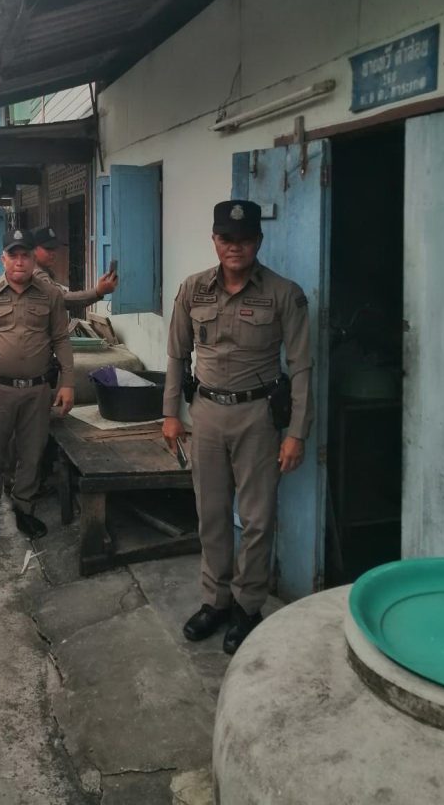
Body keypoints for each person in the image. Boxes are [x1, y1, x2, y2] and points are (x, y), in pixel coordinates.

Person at [162, 200, 312, 655]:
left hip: (258, 418)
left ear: (258, 242)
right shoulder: (193, 289)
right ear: (214, 240)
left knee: (257, 519)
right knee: (210, 515)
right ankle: (215, 601)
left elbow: (301, 367)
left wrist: (297, 432)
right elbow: (177, 355)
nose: (235, 247)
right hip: (206, 414)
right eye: (226, 238)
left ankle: (248, 607)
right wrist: (171, 413)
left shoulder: (284, 294)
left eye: (245, 239)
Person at [0, 228, 75, 549]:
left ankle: (24, 509)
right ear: (3, 259)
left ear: (33, 259)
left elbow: (61, 339)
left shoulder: (50, 295)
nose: (20, 261)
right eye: (14, 255)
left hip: (38, 391)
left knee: (31, 454)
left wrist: (67, 382)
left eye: (25, 255)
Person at [31, 225, 118, 305]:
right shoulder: (36, 274)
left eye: (54, 248)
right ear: (33, 250)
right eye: (48, 249)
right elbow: (62, 298)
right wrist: (98, 292)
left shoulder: (42, 271)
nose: (53, 253)